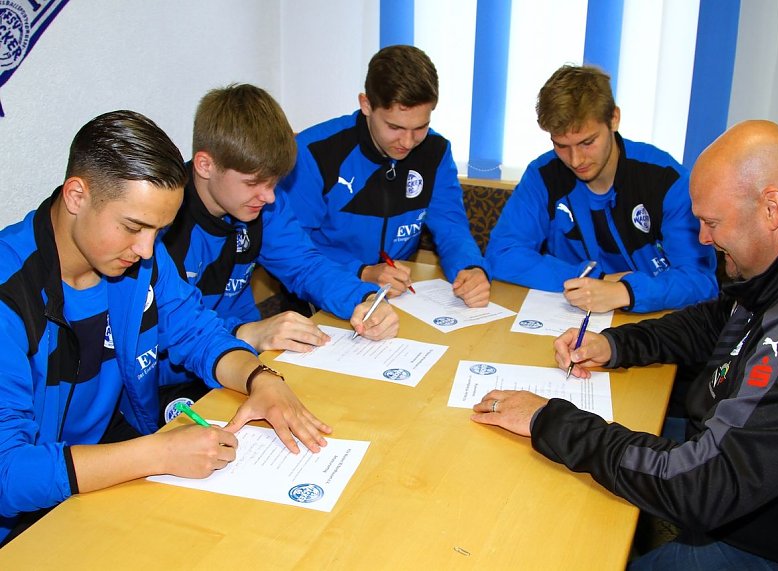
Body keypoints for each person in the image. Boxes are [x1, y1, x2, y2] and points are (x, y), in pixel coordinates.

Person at [471, 120, 778, 570]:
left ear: (771, 207)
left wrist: (546, 419)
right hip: (739, 466)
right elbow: (719, 319)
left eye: (712, 223)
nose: (704, 239)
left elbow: (703, 484)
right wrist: (617, 344)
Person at [0, 111, 332, 545]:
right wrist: (158, 453)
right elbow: (9, 474)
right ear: (77, 195)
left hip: (107, 472)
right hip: (29, 521)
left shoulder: (137, 260)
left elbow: (196, 331)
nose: (144, 250)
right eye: (133, 227)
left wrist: (259, 378)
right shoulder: (11, 295)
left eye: (159, 231)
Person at [159, 84, 399, 413]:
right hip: (175, 379)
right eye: (253, 183)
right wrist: (246, 332)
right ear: (205, 165)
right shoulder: (161, 226)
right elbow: (164, 337)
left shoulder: (260, 205)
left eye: (273, 182)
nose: (269, 196)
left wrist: (363, 299)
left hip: (250, 361)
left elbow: (304, 264)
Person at [485, 65, 717, 313]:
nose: (575, 160)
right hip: (570, 318)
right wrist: (595, 279)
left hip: (652, 320)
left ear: (613, 119)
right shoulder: (543, 175)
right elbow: (503, 253)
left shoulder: (665, 179)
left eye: (587, 142)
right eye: (561, 145)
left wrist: (626, 291)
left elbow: (701, 281)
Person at [278, 45, 491, 307]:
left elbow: (450, 225)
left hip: (398, 295)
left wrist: (470, 267)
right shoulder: (315, 153)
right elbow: (291, 246)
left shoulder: (435, 151)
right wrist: (361, 271)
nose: (408, 141)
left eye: (421, 126)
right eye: (394, 127)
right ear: (366, 104)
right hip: (322, 293)